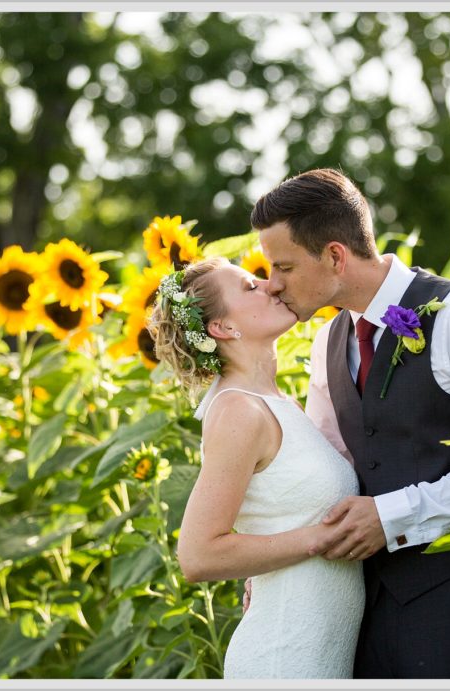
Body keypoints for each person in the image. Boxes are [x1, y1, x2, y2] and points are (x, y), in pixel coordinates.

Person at [250, 168, 450, 679]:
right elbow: (330, 474)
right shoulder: (327, 345)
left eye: (283, 267)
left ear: (335, 256)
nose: (272, 285)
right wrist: (277, 562)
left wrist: (395, 516)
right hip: (360, 611)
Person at [151, 256, 365, 679]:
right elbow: (198, 554)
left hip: (321, 651)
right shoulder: (238, 411)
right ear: (223, 328)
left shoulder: (282, 405)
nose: (270, 285)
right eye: (249, 287)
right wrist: (317, 539)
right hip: (283, 658)